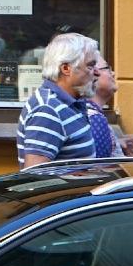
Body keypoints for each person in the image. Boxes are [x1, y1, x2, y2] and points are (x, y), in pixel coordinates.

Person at [16, 32, 98, 167]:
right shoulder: (48, 109)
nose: (97, 72)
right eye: (90, 65)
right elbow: (35, 177)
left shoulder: (71, 103)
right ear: (66, 68)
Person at [88, 55, 133, 158]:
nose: (113, 73)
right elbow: (100, 168)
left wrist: (118, 144)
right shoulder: (94, 118)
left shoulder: (93, 115)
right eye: (107, 68)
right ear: (93, 74)